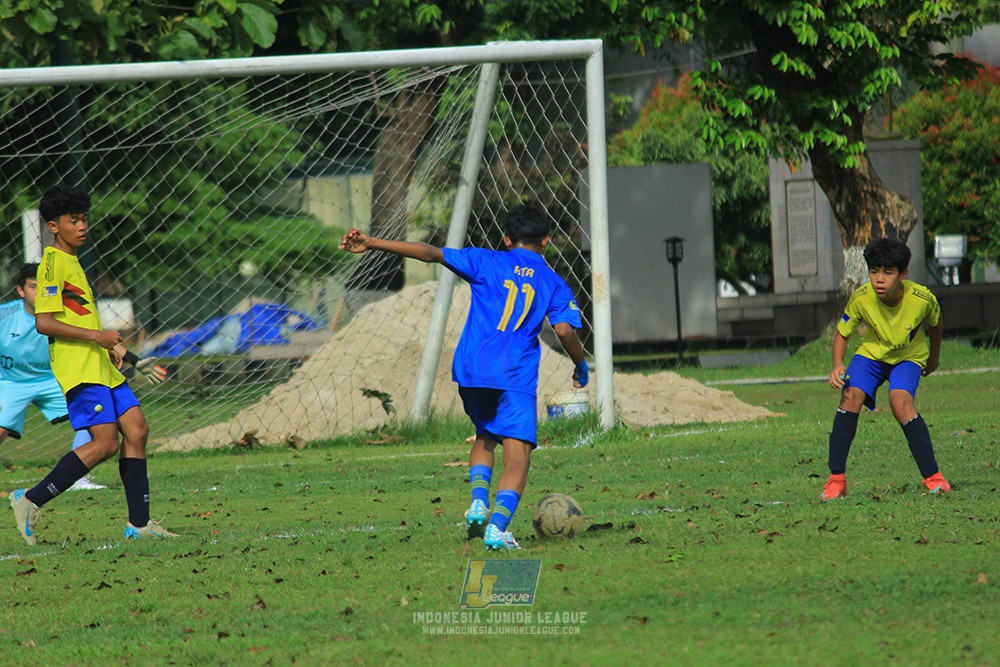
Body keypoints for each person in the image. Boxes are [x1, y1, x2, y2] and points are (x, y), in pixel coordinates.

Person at [339, 204, 589, 551]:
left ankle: (477, 503)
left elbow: (430, 254)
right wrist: (579, 364)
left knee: (484, 436)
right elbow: (564, 331)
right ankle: (498, 527)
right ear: (547, 241)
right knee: (518, 456)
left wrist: (372, 243)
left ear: (505, 239)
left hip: (471, 368)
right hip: (514, 374)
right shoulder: (553, 282)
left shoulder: (485, 260)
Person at [8, 184, 177, 545]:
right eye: (74, 220)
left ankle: (140, 526)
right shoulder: (52, 263)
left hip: (98, 361)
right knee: (104, 443)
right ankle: (30, 499)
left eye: (85, 219)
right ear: (54, 226)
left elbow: (80, 318)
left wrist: (118, 350)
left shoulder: (72, 261)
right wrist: (98, 339)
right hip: (79, 367)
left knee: (137, 430)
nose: (83, 226)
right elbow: (45, 322)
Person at [820, 237, 949, 499]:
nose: (879, 279)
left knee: (900, 402)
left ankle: (934, 478)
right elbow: (842, 334)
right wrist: (837, 364)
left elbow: (936, 323)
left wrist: (934, 357)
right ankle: (836, 482)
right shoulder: (861, 298)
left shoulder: (922, 299)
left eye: (888, 273)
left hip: (908, 358)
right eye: (874, 272)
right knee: (850, 396)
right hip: (871, 356)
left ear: (903, 274)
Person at [0, 264, 106, 491]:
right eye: (32, 287)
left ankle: (77, 478)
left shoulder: (65, 314)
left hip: (52, 380)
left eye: (44, 287)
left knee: (93, 415)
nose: (39, 292)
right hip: (10, 382)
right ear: (21, 291)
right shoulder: (5, 315)